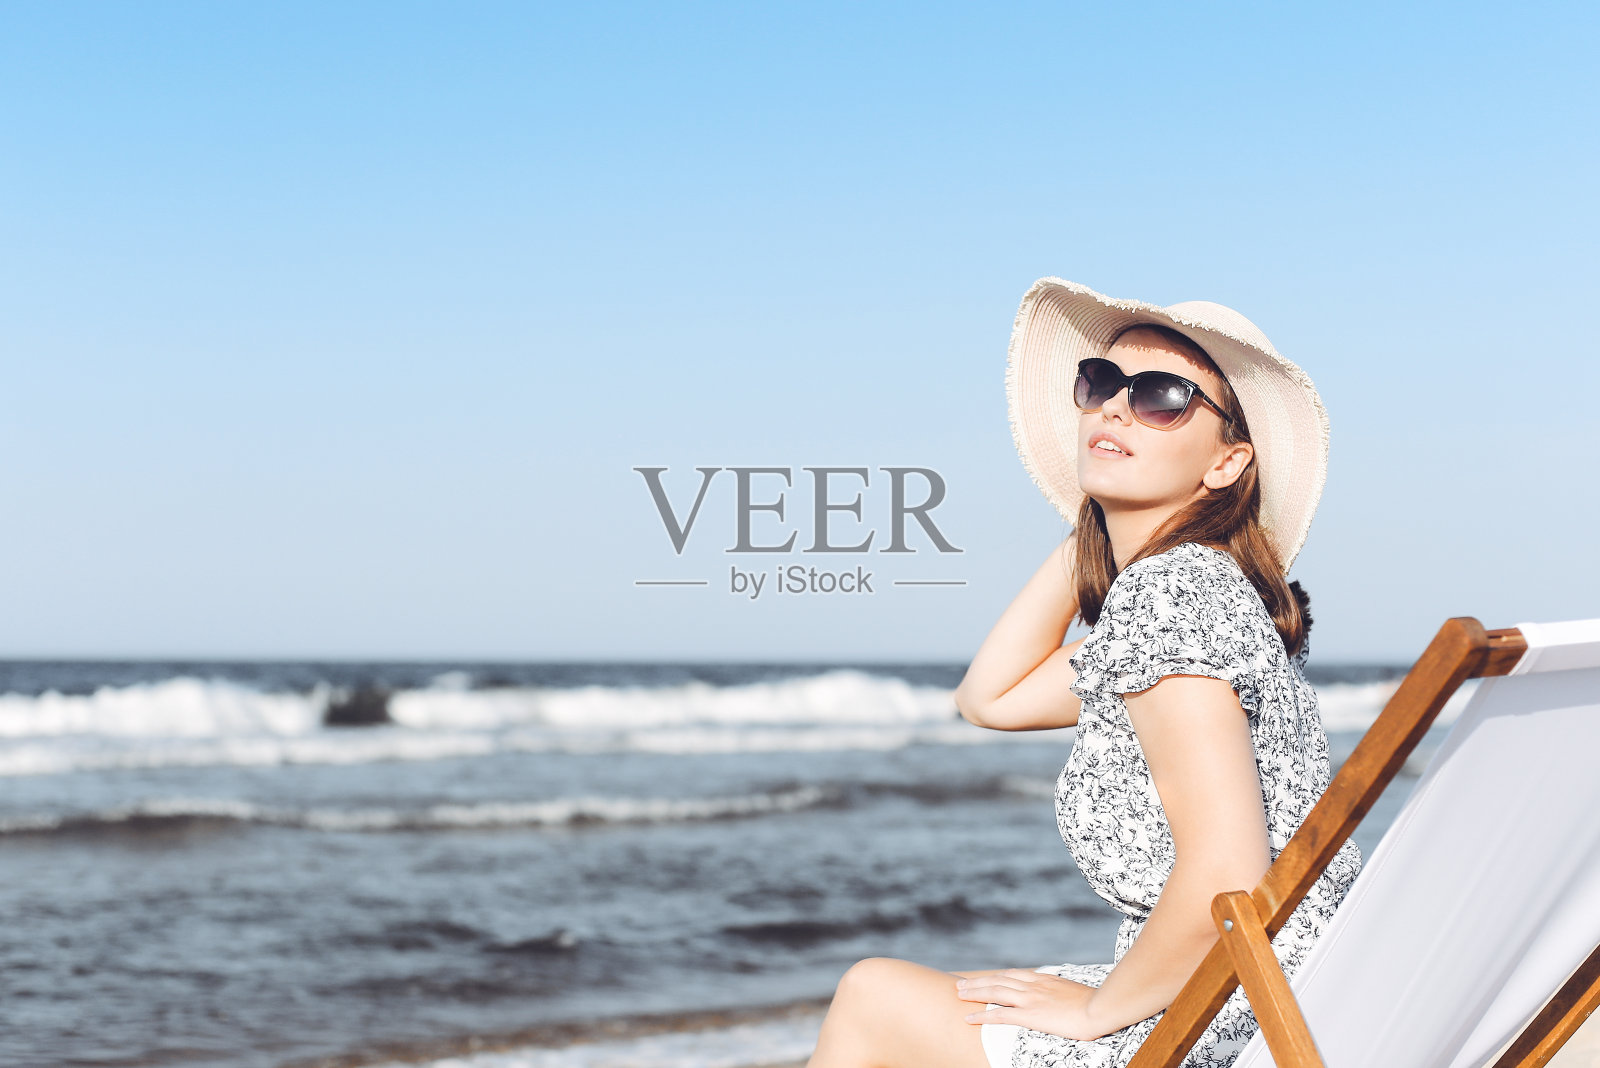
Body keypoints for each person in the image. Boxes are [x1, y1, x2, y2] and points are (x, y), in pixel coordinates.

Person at [804, 279, 1363, 1068]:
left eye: (1162, 397)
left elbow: (1226, 872)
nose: (1113, 409)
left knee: (874, 997)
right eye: (1101, 385)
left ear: (1227, 462)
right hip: (1290, 999)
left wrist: (1102, 1009)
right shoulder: (1184, 590)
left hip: (1234, 1018)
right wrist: (1096, 521)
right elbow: (989, 698)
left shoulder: (1173, 595)